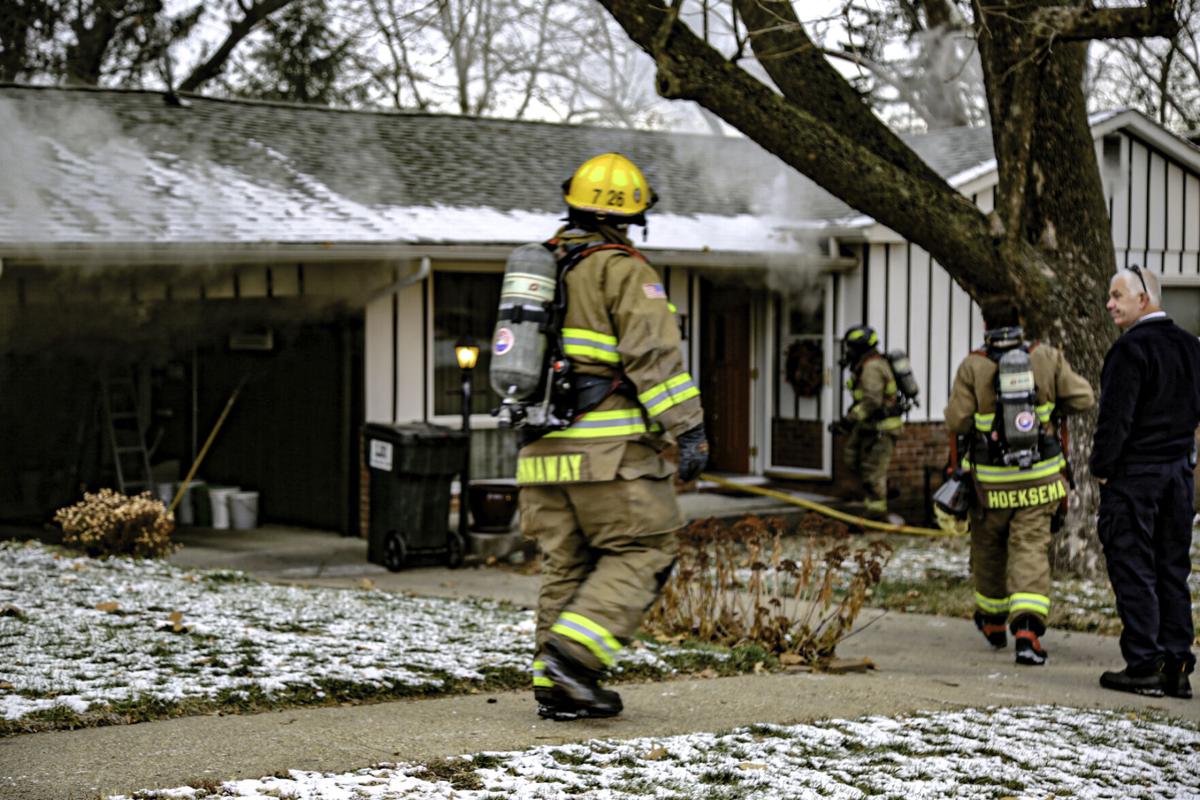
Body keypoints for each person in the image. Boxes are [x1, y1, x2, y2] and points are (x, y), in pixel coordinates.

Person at [516, 152, 708, 720]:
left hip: (541, 452)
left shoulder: (545, 267)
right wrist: (689, 429)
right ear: (630, 217)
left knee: (567, 563)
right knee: (645, 547)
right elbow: (653, 355)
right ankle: (573, 663)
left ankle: (556, 685)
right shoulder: (623, 268)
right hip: (609, 452)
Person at [943, 300, 1094, 666]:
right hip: (1040, 480)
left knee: (988, 550)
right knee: (1029, 549)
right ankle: (1027, 634)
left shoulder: (973, 365)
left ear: (985, 324)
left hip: (989, 486)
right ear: (1020, 322)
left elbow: (958, 420)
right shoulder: (1046, 358)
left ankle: (993, 623)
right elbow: (1084, 398)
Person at [1092, 265, 1200, 698]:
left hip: (1136, 478)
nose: (1110, 304)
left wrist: (1102, 466)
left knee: (1133, 566)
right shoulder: (1192, 349)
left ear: (1145, 299)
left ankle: (1146, 663)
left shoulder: (1130, 350)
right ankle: (1176, 665)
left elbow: (1116, 417)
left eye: (1118, 295)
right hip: (1178, 476)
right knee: (1172, 569)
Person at [837, 325, 902, 518]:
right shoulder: (867, 365)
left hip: (881, 429)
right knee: (853, 458)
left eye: (851, 347)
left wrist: (849, 420)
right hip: (869, 426)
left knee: (873, 473)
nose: (848, 352)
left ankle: (876, 518)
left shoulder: (872, 367)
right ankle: (880, 492)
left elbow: (872, 401)